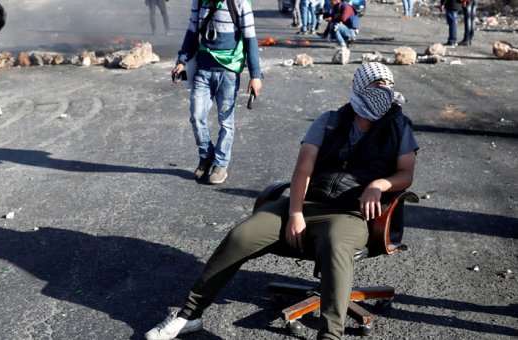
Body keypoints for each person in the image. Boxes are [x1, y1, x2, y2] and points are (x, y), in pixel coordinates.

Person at [145, 62, 418, 340]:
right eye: (377, 84)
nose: (384, 90)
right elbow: (304, 168)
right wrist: (296, 212)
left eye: (389, 85)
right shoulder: (330, 120)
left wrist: (379, 184)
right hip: (307, 204)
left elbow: (405, 173)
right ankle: (189, 315)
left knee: (336, 244)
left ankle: (330, 336)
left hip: (350, 213)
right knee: (241, 236)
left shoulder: (398, 126)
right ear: (359, 87)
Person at [171, 0, 262, 185]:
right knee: (196, 116)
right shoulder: (199, 1)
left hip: (228, 71)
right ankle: (206, 155)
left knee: (226, 122)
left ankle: (220, 164)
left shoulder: (239, 3)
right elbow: (192, 31)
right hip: (203, 69)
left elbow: (250, 38)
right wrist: (181, 61)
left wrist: (255, 75)